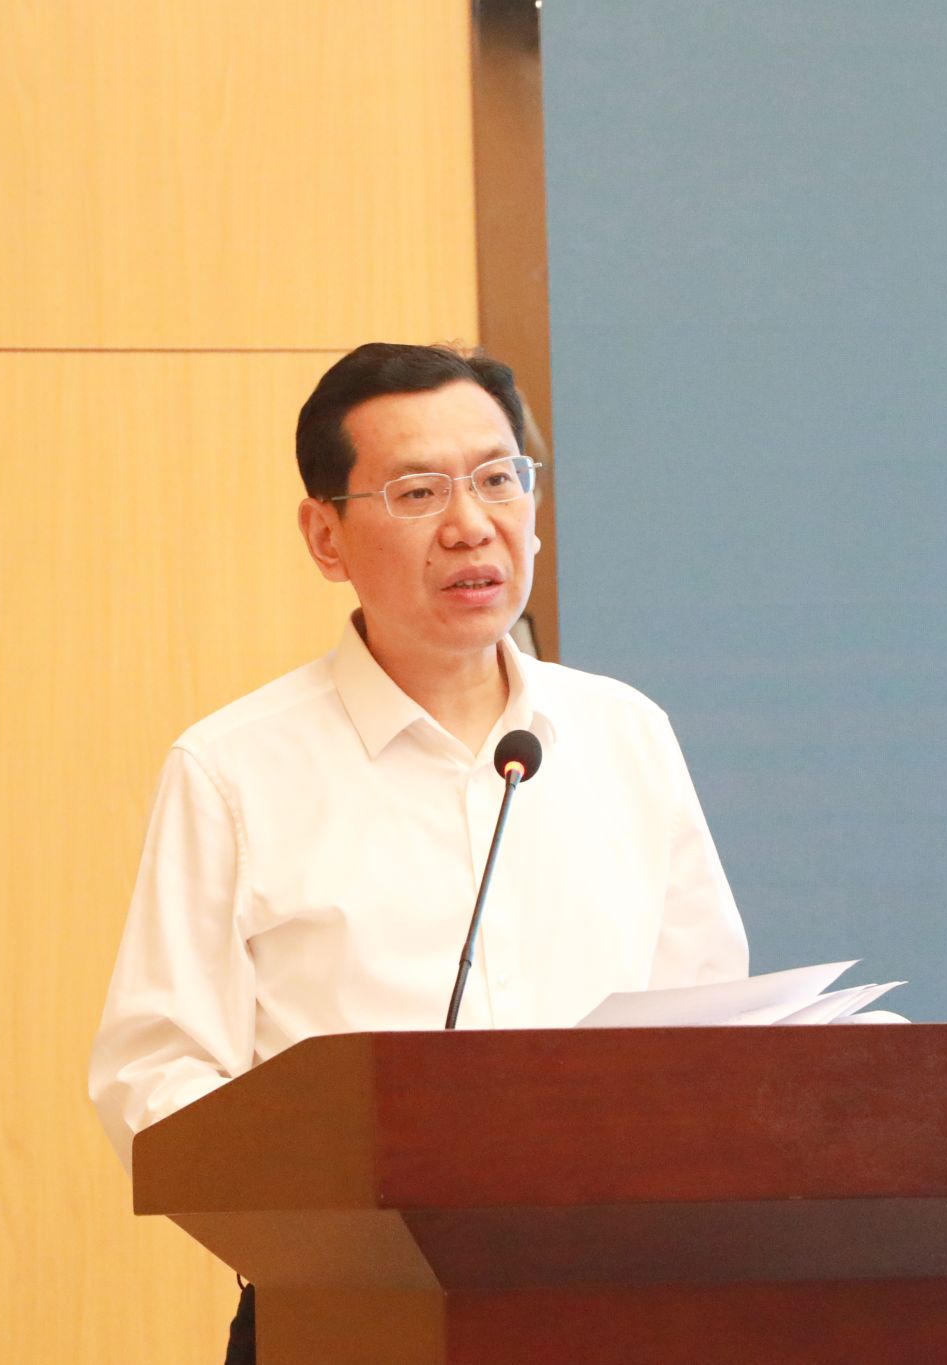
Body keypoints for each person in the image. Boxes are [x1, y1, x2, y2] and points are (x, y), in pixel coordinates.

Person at [88, 343, 749, 1362]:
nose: (471, 524)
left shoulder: (623, 735)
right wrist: (334, 1227)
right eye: (417, 491)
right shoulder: (234, 768)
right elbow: (156, 1077)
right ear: (326, 536)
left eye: (498, 478)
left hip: (611, 1303)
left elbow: (706, 1022)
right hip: (349, 1311)